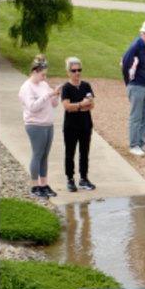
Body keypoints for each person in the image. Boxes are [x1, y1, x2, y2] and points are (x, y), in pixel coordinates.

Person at [19, 54, 61, 199]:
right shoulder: (27, 88)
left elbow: (53, 104)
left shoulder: (44, 85)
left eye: (46, 75)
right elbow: (32, 107)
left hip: (48, 124)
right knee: (37, 154)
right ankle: (34, 185)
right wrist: (47, 96)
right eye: (42, 75)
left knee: (45, 155)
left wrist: (55, 96)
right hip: (35, 124)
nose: (44, 78)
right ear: (35, 72)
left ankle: (44, 184)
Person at [121, 20, 145, 157]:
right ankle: (134, 145)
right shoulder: (136, 46)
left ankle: (142, 143)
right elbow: (125, 63)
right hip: (136, 86)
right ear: (141, 33)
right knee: (136, 117)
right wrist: (128, 83)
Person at [60, 56, 96, 193]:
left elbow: (91, 105)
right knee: (70, 152)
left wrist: (78, 107)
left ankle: (84, 178)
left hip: (85, 124)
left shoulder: (86, 85)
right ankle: (70, 178)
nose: (77, 73)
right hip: (71, 126)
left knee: (84, 152)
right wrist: (81, 105)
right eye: (74, 70)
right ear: (69, 72)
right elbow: (67, 106)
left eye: (79, 70)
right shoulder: (66, 87)